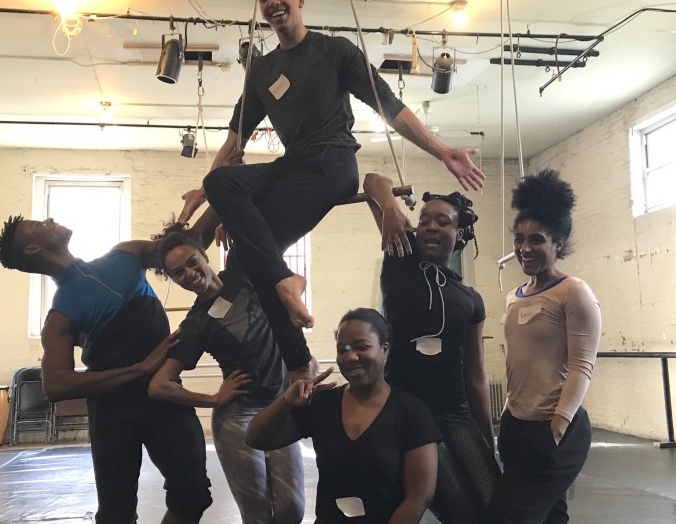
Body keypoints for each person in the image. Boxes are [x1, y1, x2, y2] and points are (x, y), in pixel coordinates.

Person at [179, 0, 485, 379]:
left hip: (331, 163)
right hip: (291, 165)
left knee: (250, 259)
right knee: (221, 184)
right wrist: (208, 193)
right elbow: (237, 137)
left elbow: (389, 106)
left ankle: (294, 353)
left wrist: (441, 150)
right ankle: (294, 328)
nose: (273, 2)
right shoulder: (262, 70)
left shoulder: (335, 51)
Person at [0, 213, 220, 524]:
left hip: (166, 397)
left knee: (194, 494)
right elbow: (56, 385)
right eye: (37, 225)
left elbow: (184, 248)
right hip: (113, 412)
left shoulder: (124, 255)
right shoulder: (59, 316)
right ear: (32, 249)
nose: (48, 218)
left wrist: (220, 184)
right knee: (116, 514)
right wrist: (139, 368)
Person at [363, 173, 501, 523]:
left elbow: (476, 375)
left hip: (455, 412)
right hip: (411, 414)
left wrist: (487, 439)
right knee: (461, 512)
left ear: (459, 234)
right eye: (424, 220)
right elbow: (372, 181)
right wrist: (392, 211)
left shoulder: (471, 299)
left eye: (442, 222)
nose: (430, 227)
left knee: (496, 503)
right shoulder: (399, 256)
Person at [148, 229, 305, 524]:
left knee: (291, 510)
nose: (190, 274)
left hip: (282, 407)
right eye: (178, 272)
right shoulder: (196, 323)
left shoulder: (242, 274)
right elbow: (159, 385)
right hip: (239, 420)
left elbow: (294, 279)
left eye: (193, 262)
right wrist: (213, 399)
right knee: (257, 515)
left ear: (205, 256)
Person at [246, 308, 440, 524]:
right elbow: (256, 439)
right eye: (342, 349)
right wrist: (285, 401)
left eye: (362, 347)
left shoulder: (411, 412)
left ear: (384, 349)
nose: (350, 357)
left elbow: (418, 497)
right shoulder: (323, 404)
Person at [488, 169, 602, 524]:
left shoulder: (574, 293)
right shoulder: (514, 297)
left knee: (507, 517)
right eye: (519, 238)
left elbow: (583, 364)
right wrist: (508, 413)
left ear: (559, 243)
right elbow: (519, 362)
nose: (524, 248)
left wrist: (559, 423)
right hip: (517, 427)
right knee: (551, 515)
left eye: (536, 239)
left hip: (554, 431)